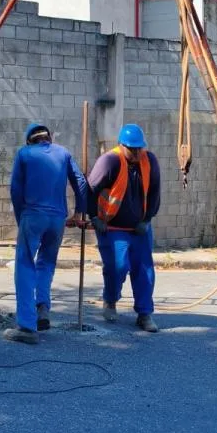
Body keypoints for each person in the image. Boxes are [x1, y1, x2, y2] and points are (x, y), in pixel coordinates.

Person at [4, 123, 89, 345]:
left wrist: (21, 219)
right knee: (46, 263)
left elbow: (15, 190)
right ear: (48, 138)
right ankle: (42, 308)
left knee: (25, 265)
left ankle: (26, 326)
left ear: (29, 141)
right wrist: (79, 212)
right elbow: (81, 182)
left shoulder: (24, 154)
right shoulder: (63, 153)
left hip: (32, 215)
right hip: (57, 219)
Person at [87, 123, 161, 332]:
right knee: (117, 267)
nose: (137, 153)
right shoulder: (109, 161)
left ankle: (144, 314)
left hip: (139, 228)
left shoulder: (150, 161)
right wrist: (94, 217)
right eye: (132, 149)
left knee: (144, 270)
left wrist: (147, 220)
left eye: (139, 148)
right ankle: (110, 300)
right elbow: (90, 190)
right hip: (112, 227)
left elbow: (154, 193)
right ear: (122, 145)